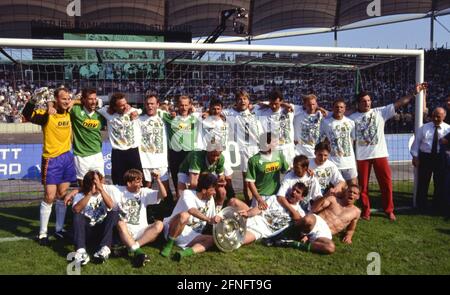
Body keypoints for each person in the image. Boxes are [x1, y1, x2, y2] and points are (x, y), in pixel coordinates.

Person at [349, 83, 427, 221]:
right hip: (361, 156)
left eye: (368, 100)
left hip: (380, 154)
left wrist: (413, 93)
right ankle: (366, 211)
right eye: (363, 101)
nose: (367, 103)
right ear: (358, 103)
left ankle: (389, 209)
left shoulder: (379, 112)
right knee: (363, 186)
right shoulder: (352, 118)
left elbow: (398, 104)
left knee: (386, 184)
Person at [22, 87, 77, 245]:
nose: (66, 101)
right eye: (63, 98)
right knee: (49, 197)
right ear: (56, 99)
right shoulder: (47, 115)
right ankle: (43, 233)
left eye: (68, 98)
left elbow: (80, 101)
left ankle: (59, 229)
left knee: (62, 195)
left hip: (67, 158)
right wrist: (34, 100)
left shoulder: (69, 112)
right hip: (51, 160)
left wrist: (72, 101)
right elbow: (27, 115)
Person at [273, 185, 361, 255]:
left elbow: (351, 229)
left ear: (357, 197)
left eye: (354, 193)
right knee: (308, 219)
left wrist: (349, 236)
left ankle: (293, 244)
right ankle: (280, 235)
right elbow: (314, 209)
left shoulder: (356, 212)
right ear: (345, 192)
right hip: (317, 222)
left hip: (326, 233)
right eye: (350, 191)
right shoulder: (333, 199)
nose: (351, 194)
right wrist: (325, 196)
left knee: (330, 247)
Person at [160, 174, 222, 261]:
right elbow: (192, 210)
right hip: (173, 229)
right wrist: (208, 219)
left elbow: (212, 219)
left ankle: (184, 253)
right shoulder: (188, 193)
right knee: (184, 216)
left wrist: (217, 219)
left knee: (212, 240)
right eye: (213, 189)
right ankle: (169, 245)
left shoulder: (210, 199)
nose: (215, 192)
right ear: (204, 190)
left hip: (192, 234)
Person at [113, 169, 167, 268]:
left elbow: (163, 195)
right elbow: (99, 186)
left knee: (159, 224)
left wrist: (158, 179)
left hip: (143, 232)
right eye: (138, 181)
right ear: (129, 183)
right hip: (126, 232)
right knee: (120, 223)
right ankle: (139, 253)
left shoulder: (144, 192)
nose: (141, 184)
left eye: (141, 180)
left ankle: (132, 248)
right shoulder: (118, 190)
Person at [228, 182, 307, 246]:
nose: (293, 192)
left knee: (235, 240)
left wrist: (305, 236)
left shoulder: (299, 212)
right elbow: (259, 208)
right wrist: (247, 213)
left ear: (302, 197)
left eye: (298, 192)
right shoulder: (274, 198)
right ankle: (222, 221)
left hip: (262, 230)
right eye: (293, 189)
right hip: (256, 218)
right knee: (233, 201)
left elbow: (304, 227)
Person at [70, 171, 119, 265]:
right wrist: (89, 194)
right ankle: (81, 251)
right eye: (94, 182)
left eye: (98, 181)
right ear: (89, 183)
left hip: (101, 229)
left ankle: (104, 249)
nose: (97, 184)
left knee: (114, 212)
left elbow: (111, 206)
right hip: (87, 230)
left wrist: (101, 190)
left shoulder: (105, 191)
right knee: (78, 215)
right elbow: (76, 210)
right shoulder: (80, 195)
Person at [223, 90, 262, 204]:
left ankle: (256, 202)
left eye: (245, 98)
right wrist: (206, 113)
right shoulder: (230, 113)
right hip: (239, 150)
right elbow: (215, 111)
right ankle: (246, 203)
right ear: (236, 101)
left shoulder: (256, 112)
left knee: (256, 180)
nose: (242, 101)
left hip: (254, 149)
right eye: (240, 99)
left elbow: (271, 104)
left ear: (248, 100)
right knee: (247, 180)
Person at [97, 93, 142, 186]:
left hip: (132, 151)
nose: (125, 107)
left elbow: (142, 109)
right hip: (117, 153)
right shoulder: (106, 112)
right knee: (118, 181)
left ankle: (136, 199)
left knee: (137, 179)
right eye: (121, 105)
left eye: (125, 104)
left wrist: (137, 112)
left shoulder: (131, 110)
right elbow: (96, 103)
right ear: (114, 107)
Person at [411, 107, 450, 212]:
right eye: (434, 116)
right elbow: (416, 144)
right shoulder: (423, 128)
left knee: (440, 183)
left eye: (439, 116)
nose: (436, 118)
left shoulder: (448, 129)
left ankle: (437, 205)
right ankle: (421, 205)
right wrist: (415, 157)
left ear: (444, 116)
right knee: (423, 182)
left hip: (440, 158)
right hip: (425, 158)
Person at [163, 95, 201, 200]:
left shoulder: (195, 118)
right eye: (181, 105)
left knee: (193, 180)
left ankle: (193, 203)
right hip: (175, 153)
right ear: (177, 105)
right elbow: (156, 110)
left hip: (190, 153)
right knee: (177, 180)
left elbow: (211, 114)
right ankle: (179, 203)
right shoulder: (170, 117)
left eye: (186, 105)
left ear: (190, 105)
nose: (183, 107)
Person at [67, 88, 106, 186]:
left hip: (96, 153)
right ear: (83, 100)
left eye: (95, 99)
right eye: (90, 99)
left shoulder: (100, 114)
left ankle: (99, 201)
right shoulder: (76, 110)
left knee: (100, 183)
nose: (93, 102)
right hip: (81, 155)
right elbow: (62, 104)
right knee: (83, 185)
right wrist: (73, 101)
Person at [200, 98, 235, 200]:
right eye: (213, 109)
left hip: (225, 152)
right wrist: (205, 114)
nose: (216, 111)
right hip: (212, 154)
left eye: (218, 109)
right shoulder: (205, 121)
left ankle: (231, 198)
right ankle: (210, 200)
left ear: (221, 109)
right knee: (211, 178)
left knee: (228, 177)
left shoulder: (225, 120)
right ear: (210, 108)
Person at [246, 133, 290, 210]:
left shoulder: (279, 155)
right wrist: (259, 198)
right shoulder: (253, 160)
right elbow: (250, 182)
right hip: (261, 197)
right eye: (274, 142)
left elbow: (286, 171)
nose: (277, 144)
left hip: (276, 195)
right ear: (266, 144)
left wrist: (304, 169)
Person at [253, 89, 296, 166]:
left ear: (281, 101)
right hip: (271, 149)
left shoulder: (290, 109)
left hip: (287, 149)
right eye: (271, 103)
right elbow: (247, 107)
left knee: (289, 174)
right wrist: (266, 104)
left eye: (276, 103)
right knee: (271, 175)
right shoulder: (261, 111)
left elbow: (309, 107)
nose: (273, 106)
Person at [320, 99, 358, 185]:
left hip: (349, 162)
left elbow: (354, 140)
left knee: (353, 186)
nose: (339, 109)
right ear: (332, 108)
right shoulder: (325, 123)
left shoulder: (350, 123)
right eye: (336, 107)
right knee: (337, 189)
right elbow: (320, 139)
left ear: (345, 109)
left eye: (341, 107)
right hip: (333, 162)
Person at [293, 94, 326, 159]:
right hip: (299, 153)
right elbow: (283, 105)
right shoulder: (297, 114)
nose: (311, 107)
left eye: (313, 104)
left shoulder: (321, 115)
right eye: (309, 105)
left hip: (315, 153)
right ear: (304, 105)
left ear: (316, 104)